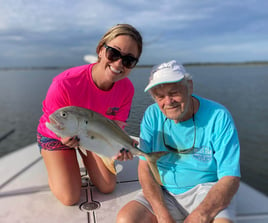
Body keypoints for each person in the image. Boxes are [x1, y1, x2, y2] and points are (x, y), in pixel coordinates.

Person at [117, 60, 241, 223]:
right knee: (126, 219)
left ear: (189, 86)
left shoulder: (218, 116)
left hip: (207, 191)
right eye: (160, 96)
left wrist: (197, 217)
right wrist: (163, 216)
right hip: (164, 191)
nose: (168, 101)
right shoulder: (152, 114)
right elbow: (145, 167)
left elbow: (230, 177)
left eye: (174, 92)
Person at [37, 24, 143, 206]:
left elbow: (116, 128)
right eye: (114, 53)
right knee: (69, 197)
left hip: (94, 136)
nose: (119, 63)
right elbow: (52, 121)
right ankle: (59, 166)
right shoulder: (65, 83)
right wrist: (63, 138)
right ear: (101, 50)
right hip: (56, 134)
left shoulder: (127, 89)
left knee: (107, 186)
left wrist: (121, 146)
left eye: (129, 60)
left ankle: (85, 160)